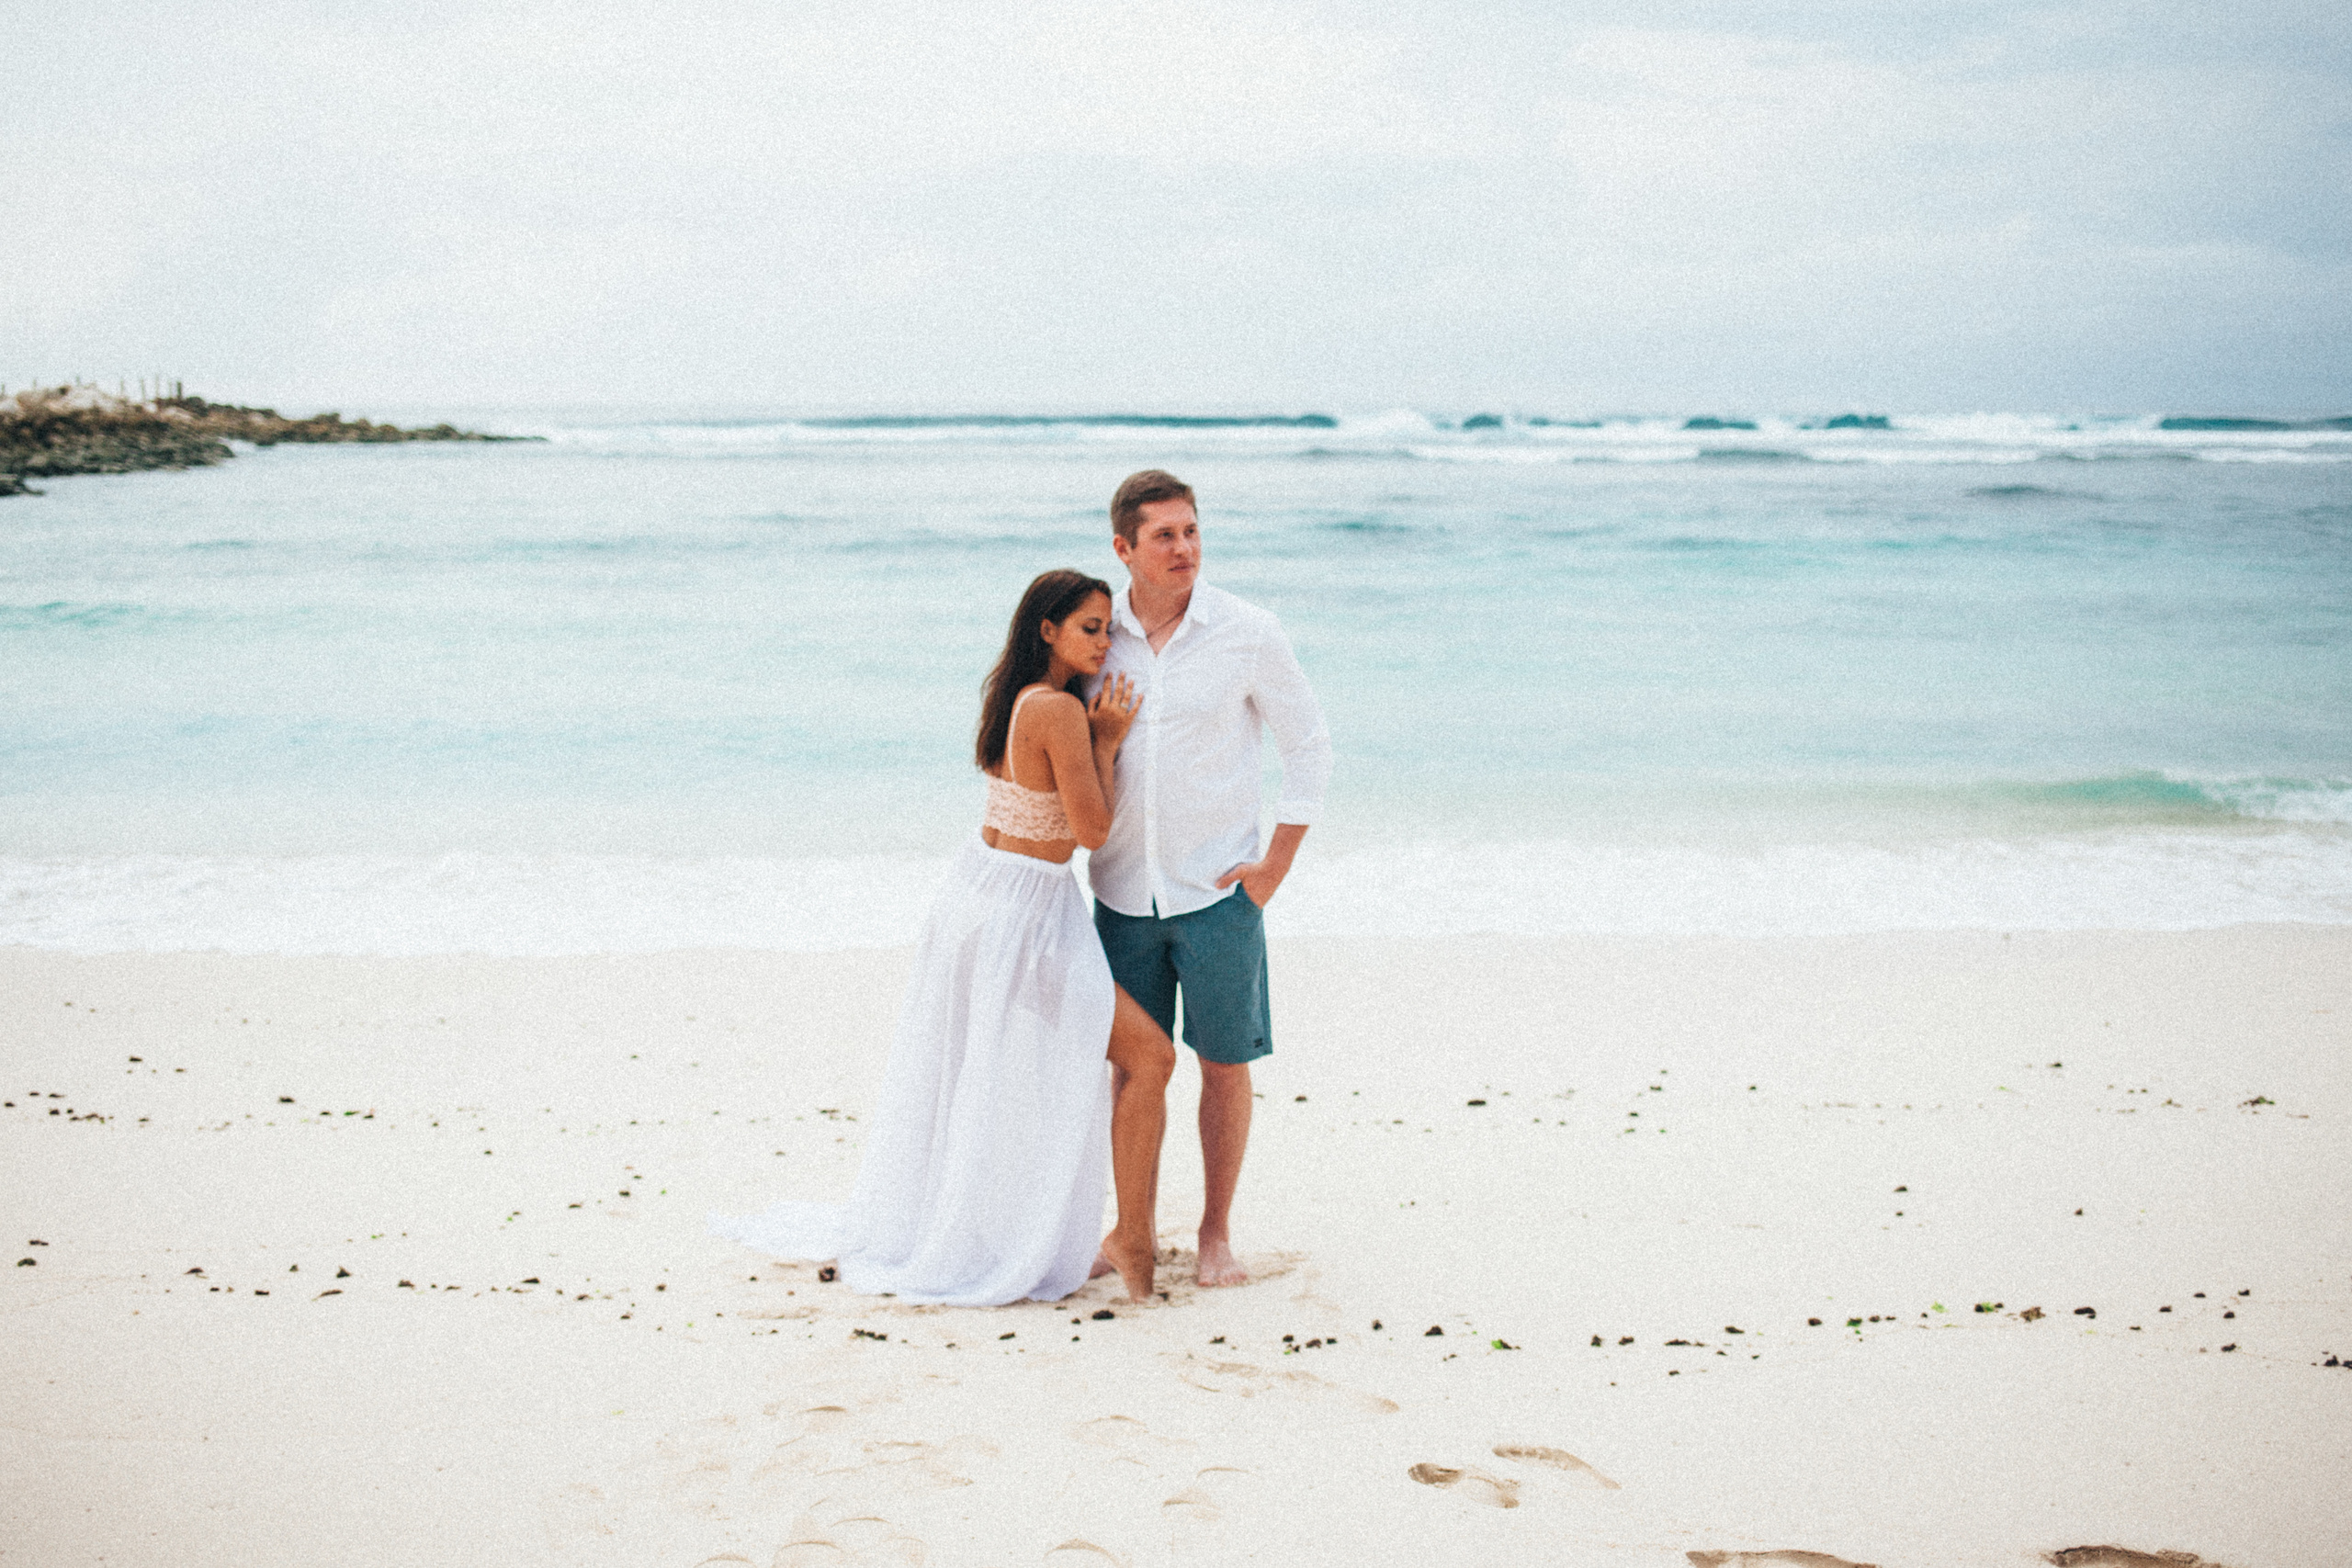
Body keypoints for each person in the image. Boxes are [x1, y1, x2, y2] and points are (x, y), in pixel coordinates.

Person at [711, 570, 1174, 1305]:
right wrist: (1110, 740)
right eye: (1090, 627)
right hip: (1023, 916)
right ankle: (1130, 1239)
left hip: (984, 898)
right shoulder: (1055, 711)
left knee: (990, 1072)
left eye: (1109, 629)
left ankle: (1050, 1224)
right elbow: (1091, 832)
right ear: (1046, 630)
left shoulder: (1013, 698)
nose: (1105, 642)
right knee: (1149, 1055)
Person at [1088, 470, 1331, 1289]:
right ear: (1124, 548)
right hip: (1120, 894)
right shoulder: (1096, 637)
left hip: (1221, 894)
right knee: (1130, 1072)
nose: (1185, 547)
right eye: (1164, 535)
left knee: (1224, 1064)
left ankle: (1217, 1236)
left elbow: (1310, 748)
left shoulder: (1248, 631)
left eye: (1191, 531)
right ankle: (1133, 1234)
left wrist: (1273, 869)